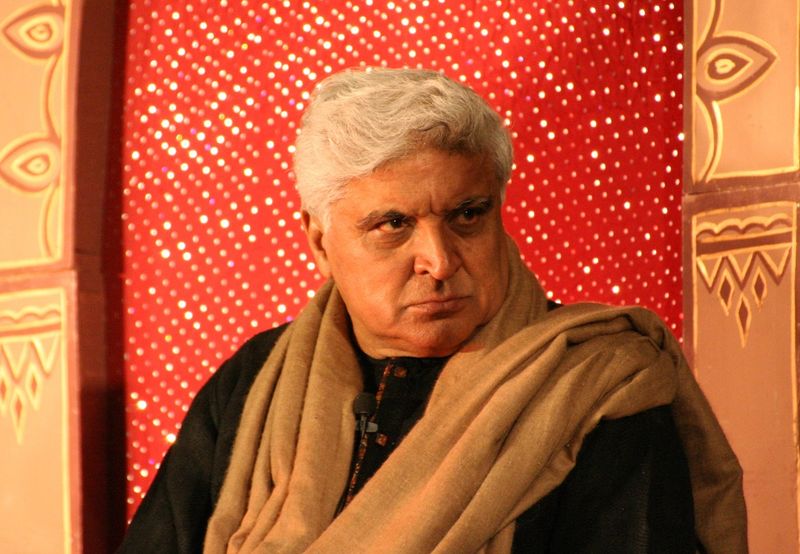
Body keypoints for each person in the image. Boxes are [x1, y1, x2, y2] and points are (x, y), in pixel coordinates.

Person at [118, 68, 747, 553]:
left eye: (467, 215)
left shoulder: (599, 385)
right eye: (393, 224)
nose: (439, 261)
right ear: (319, 242)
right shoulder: (256, 381)